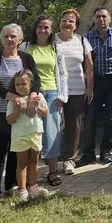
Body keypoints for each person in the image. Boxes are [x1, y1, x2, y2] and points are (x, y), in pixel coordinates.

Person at [0, 23, 41, 206]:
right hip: (0, 113)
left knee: (16, 151)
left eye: (13, 37)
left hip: (22, 117)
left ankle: (12, 184)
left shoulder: (26, 58)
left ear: (20, 40)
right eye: (6, 37)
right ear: (2, 39)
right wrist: (15, 98)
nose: (9, 40)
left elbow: (36, 81)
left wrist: (32, 95)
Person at [19, 15, 68, 186]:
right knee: (32, 131)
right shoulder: (26, 47)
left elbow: (62, 73)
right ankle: (30, 174)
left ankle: (52, 171)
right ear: (35, 28)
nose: (43, 30)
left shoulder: (56, 48)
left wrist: (63, 96)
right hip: (33, 94)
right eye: (40, 27)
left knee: (52, 132)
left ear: (51, 30)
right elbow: (21, 73)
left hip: (52, 93)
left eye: (46, 27)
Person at [79, 7, 112, 168]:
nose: (101, 19)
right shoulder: (87, 39)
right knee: (90, 117)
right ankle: (88, 153)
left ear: (110, 18)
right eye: (98, 16)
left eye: (104, 16)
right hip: (94, 82)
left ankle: (106, 150)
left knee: (111, 118)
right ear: (94, 19)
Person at [55, 9, 94, 175]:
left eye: (71, 21)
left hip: (76, 88)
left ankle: (69, 159)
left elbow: (89, 65)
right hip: (55, 89)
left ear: (76, 26)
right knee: (54, 124)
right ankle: (52, 158)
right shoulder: (52, 41)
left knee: (75, 124)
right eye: (64, 20)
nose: (67, 24)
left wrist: (89, 87)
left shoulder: (82, 41)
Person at [5, 70, 50, 201]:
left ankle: (33, 186)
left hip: (35, 133)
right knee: (22, 163)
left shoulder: (38, 97)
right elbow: (9, 120)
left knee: (34, 162)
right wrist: (18, 111)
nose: (20, 87)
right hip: (20, 136)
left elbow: (45, 112)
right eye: (17, 85)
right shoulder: (14, 101)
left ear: (31, 84)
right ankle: (22, 189)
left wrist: (37, 107)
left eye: (24, 84)